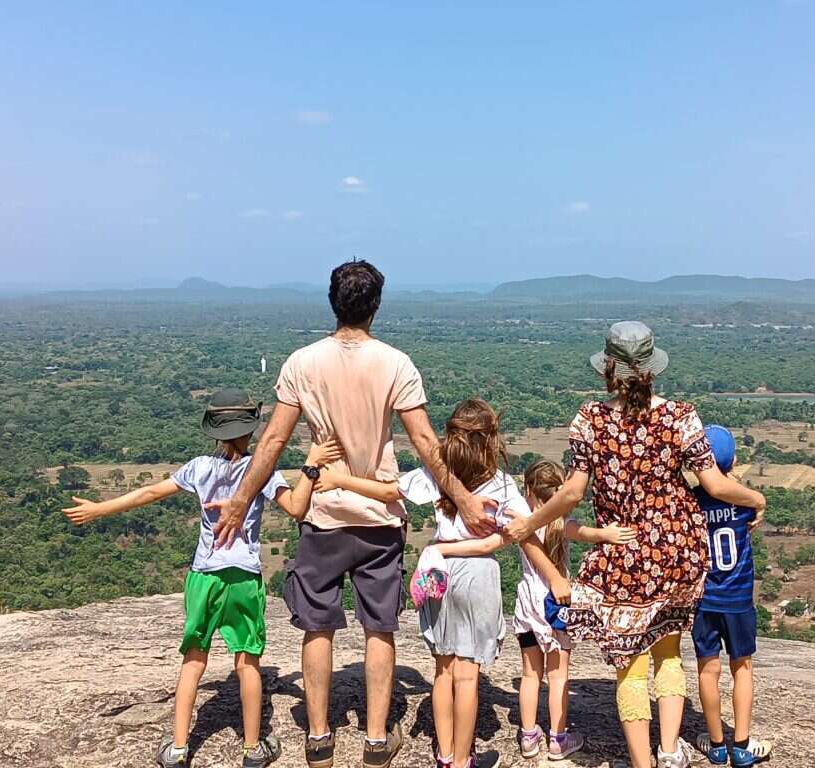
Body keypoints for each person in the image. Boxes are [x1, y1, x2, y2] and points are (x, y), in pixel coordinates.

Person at [205, 261, 493, 768]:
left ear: (332, 301)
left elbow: (271, 440)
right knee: (378, 629)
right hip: (379, 514)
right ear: (376, 305)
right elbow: (426, 442)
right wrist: (464, 498)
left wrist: (241, 498)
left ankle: (319, 737)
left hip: (323, 515)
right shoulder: (396, 363)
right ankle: (377, 739)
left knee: (318, 628)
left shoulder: (301, 363)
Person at [504, 322, 767, 768]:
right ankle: (669, 752)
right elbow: (715, 484)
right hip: (677, 554)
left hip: (623, 556)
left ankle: (642, 761)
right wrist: (757, 498)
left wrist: (528, 523)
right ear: (652, 367)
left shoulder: (590, 420)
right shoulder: (681, 417)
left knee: (630, 665)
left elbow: (570, 494)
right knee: (668, 652)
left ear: (607, 368)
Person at [62, 388, 342, 768]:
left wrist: (100, 509)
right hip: (243, 577)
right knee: (248, 662)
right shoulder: (262, 471)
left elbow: (149, 492)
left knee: (194, 660)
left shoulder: (199, 468)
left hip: (203, 576)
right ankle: (252, 748)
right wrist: (311, 467)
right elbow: (296, 508)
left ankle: (178, 748)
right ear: (252, 430)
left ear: (214, 432)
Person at [316, 399, 569, 768]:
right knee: (467, 677)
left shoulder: (437, 474)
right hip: (479, 573)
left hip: (440, 571)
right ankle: (465, 760)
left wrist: (338, 479)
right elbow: (526, 534)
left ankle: (446, 756)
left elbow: (388, 491)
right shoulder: (500, 484)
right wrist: (554, 577)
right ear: (489, 441)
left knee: (443, 672)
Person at [514, 460, 637, 760]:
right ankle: (558, 738)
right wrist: (609, 533)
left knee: (531, 674)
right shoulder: (561, 524)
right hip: (556, 606)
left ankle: (529, 736)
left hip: (526, 603)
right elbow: (589, 534)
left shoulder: (523, 522)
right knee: (558, 676)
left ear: (529, 490)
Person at [692, 426, 772, 767]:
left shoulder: (691, 501)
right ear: (734, 460)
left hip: (703, 599)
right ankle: (741, 746)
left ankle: (715, 744)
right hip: (738, 598)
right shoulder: (744, 500)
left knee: (707, 671)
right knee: (743, 667)